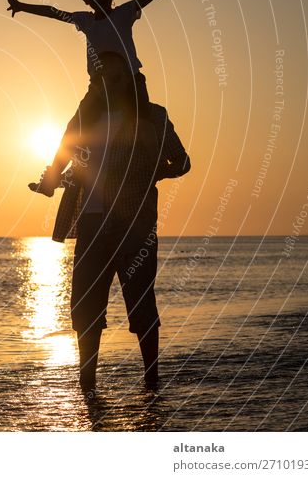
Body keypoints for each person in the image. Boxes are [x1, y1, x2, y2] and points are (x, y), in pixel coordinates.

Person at [4, 0, 206, 196]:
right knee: (73, 129)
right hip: (99, 86)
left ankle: (158, 164)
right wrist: (22, 6)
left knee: (143, 122)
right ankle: (52, 180)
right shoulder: (85, 21)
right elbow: (53, 12)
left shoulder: (124, 13)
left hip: (130, 82)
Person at [47, 51, 191, 396]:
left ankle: (152, 382)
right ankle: (87, 385)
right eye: (101, 79)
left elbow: (183, 161)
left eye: (115, 78)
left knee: (141, 302)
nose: (107, 84)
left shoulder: (153, 116)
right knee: (84, 306)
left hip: (134, 225)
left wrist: (156, 171)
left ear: (130, 79)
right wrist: (49, 182)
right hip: (92, 224)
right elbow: (65, 157)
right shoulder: (85, 119)